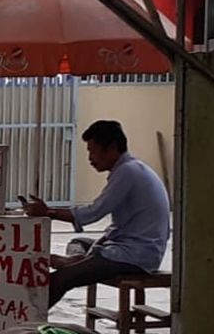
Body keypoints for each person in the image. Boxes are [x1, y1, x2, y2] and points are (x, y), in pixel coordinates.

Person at [23, 120, 170, 307]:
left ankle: (28, 322)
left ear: (112, 148)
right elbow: (115, 229)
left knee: (61, 279)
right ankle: (79, 260)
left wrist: (49, 212)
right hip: (130, 247)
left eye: (93, 151)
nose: (90, 158)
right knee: (78, 243)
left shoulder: (127, 172)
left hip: (135, 255)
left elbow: (94, 212)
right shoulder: (132, 169)